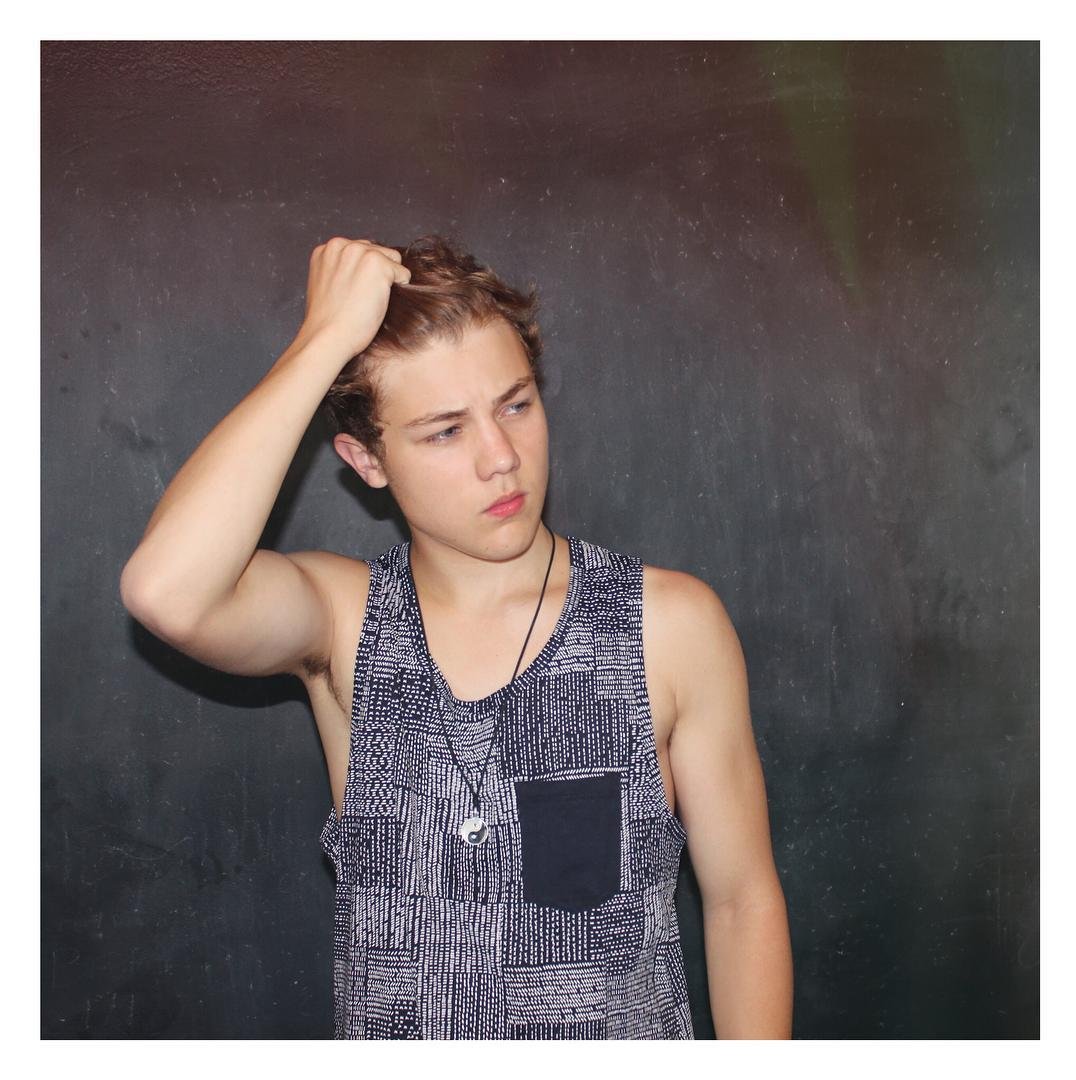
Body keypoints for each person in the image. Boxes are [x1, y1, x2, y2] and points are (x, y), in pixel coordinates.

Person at [120, 235, 793, 1040]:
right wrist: (323, 340)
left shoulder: (665, 625)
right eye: (444, 431)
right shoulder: (347, 623)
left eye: (516, 405)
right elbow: (167, 593)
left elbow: (742, 900)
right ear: (367, 460)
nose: (501, 458)